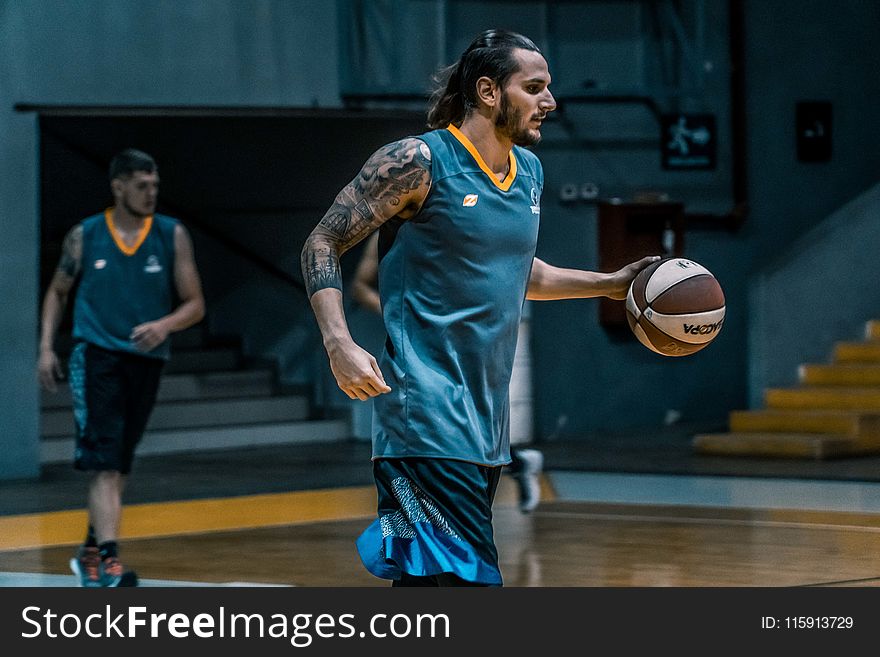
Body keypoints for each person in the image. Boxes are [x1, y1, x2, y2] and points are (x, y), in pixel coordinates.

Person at [301, 29, 659, 587]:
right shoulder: (417, 161)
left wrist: (611, 284)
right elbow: (321, 242)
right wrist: (339, 343)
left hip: (483, 432)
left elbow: (524, 274)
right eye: (535, 87)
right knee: (472, 587)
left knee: (427, 589)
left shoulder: (530, 174)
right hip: (424, 422)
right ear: (489, 91)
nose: (550, 101)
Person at [38, 148, 206, 587]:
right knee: (106, 464)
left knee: (120, 463)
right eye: (141, 186)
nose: (151, 193)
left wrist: (163, 325)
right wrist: (44, 348)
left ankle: (90, 553)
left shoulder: (171, 234)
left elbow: (195, 305)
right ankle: (108, 563)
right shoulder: (85, 235)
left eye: (155, 186)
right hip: (97, 355)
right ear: (118, 187)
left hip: (146, 359)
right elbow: (57, 292)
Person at [353, 232, 545, 513]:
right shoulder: (389, 230)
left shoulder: (459, 223)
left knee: (466, 429)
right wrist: (400, 313)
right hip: (419, 351)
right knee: (433, 430)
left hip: (476, 342)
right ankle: (517, 464)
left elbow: (526, 273)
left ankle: (515, 462)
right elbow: (359, 285)